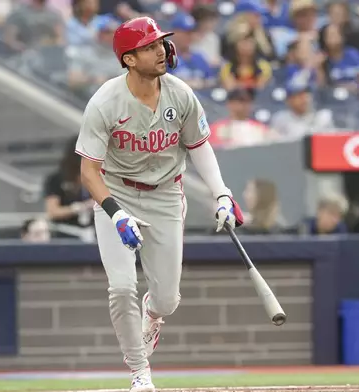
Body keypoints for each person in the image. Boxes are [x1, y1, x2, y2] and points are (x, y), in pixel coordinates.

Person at [74, 17, 244, 392]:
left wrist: (222, 194)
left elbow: (199, 148)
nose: (161, 50)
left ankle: (152, 313)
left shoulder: (180, 93)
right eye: (150, 46)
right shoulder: (105, 101)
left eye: (160, 44)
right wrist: (116, 214)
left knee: (167, 300)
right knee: (120, 287)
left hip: (166, 194)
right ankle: (139, 372)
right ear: (129, 59)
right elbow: (89, 172)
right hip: (116, 193)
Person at [44, 136, 95, 228]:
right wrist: (79, 207)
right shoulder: (57, 179)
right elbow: (53, 212)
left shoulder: (95, 177)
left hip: (93, 230)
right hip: (66, 231)